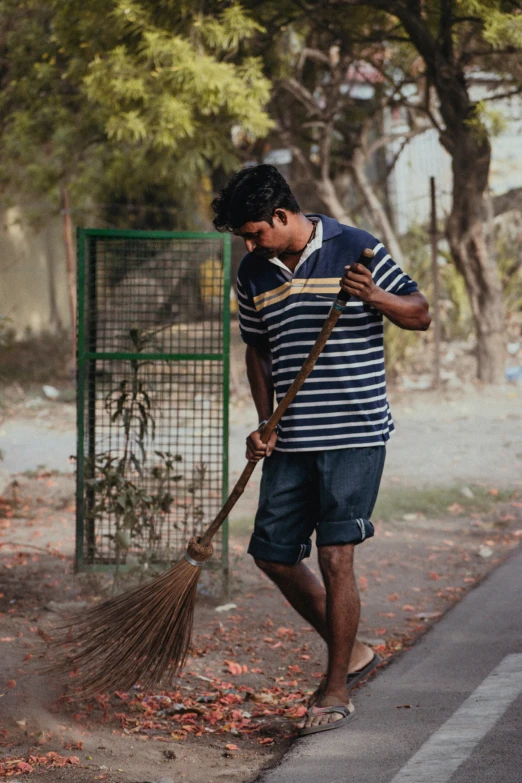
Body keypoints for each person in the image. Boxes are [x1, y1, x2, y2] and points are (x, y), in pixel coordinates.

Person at [211, 164, 430, 735]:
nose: (250, 243)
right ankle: (354, 655)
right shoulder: (253, 273)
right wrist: (265, 421)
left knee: (336, 555)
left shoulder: (357, 247)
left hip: (355, 434)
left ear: (282, 215)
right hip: (291, 437)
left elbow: (421, 314)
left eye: (255, 231)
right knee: (274, 553)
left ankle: (335, 689)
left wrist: (375, 295)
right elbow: (257, 352)